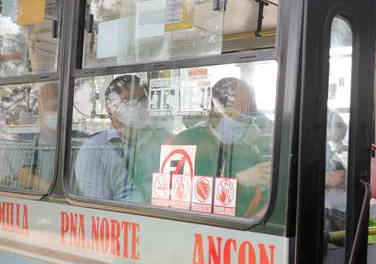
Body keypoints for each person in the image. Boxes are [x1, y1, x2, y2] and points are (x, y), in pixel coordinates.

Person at [169, 77, 272, 217]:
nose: (243, 124)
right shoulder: (185, 142)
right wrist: (237, 181)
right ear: (215, 112)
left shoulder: (250, 153)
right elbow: (174, 195)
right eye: (236, 117)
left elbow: (260, 202)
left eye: (248, 119)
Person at [74, 75, 170, 203]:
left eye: (142, 99)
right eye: (128, 100)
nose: (137, 105)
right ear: (110, 106)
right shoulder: (93, 149)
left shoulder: (163, 138)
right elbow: (100, 208)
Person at [0, 82, 58, 191]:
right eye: (48, 97)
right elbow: (25, 179)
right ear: (40, 106)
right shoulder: (21, 144)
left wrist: (33, 179)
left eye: (57, 96)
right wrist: (33, 180)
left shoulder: (76, 140)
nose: (54, 102)